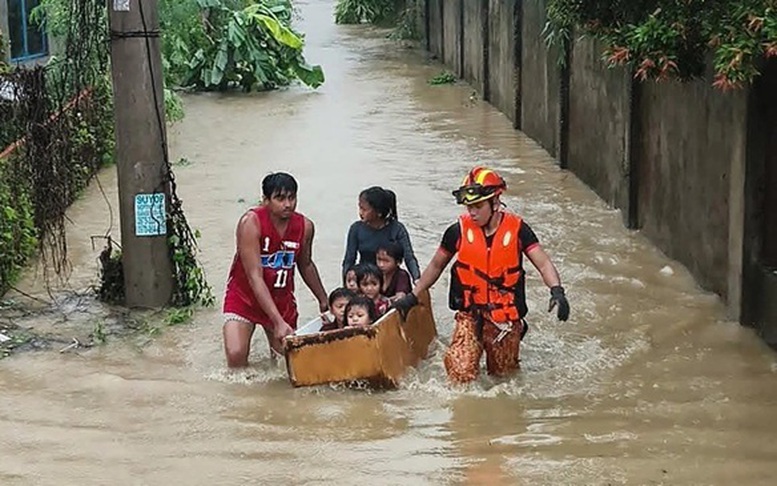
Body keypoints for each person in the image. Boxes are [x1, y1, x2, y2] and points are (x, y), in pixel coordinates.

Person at [393, 166, 570, 384]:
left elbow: (543, 263)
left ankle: (518, 329)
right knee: (460, 371)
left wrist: (557, 290)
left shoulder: (518, 230)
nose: (472, 213)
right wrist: (413, 296)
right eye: (469, 207)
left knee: (503, 378)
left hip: (504, 316)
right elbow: (436, 266)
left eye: (478, 206)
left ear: (495, 203)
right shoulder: (456, 232)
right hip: (470, 313)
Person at [222, 172, 329, 368]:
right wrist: (277, 322)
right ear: (265, 200)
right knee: (236, 357)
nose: (287, 204)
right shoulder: (250, 223)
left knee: (287, 365)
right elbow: (255, 277)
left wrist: (324, 299)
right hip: (244, 298)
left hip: (282, 300)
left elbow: (305, 264)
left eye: (292, 198)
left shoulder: (305, 226)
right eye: (280, 198)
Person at [342, 186, 421, 282]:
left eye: (364, 209)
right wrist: (347, 283)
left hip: (391, 279)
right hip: (366, 280)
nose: (360, 212)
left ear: (378, 212)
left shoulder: (397, 229)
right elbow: (349, 260)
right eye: (359, 208)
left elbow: (409, 258)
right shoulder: (356, 229)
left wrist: (417, 279)